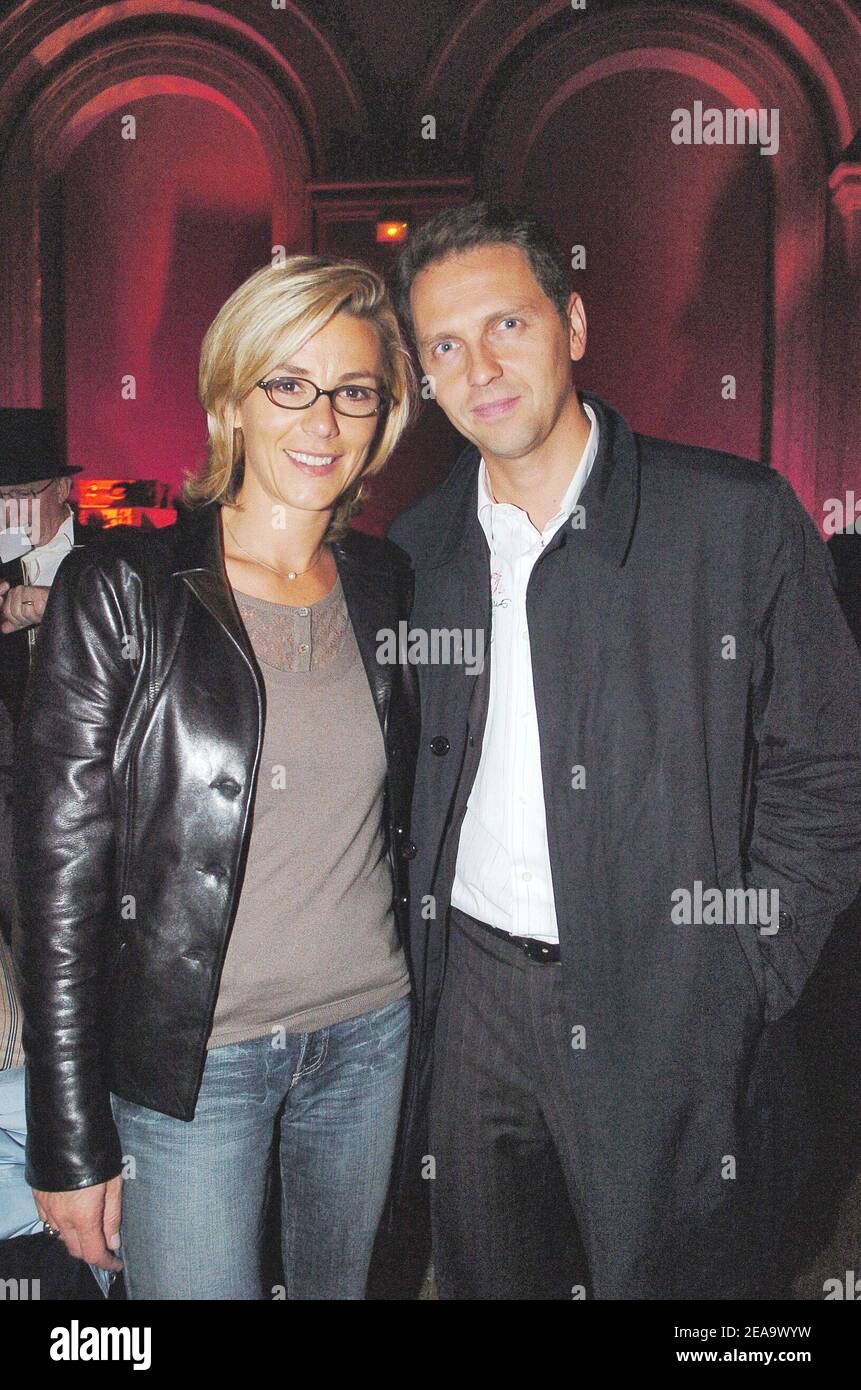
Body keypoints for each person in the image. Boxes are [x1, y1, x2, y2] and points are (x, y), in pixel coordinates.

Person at [388, 201, 861, 1300]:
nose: (481, 368)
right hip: (472, 1006)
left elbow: (831, 769)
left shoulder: (733, 521)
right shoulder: (419, 552)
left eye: (508, 325)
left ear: (575, 323)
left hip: (670, 994)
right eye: (446, 347)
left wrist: (743, 967)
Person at [13, 256, 419, 1300]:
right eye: (289, 383)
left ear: (384, 415)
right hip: (193, 1063)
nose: (322, 419)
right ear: (233, 396)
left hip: (368, 1036)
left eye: (354, 391)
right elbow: (60, 883)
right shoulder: (124, 592)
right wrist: (69, 1138)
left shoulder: (387, 583)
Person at [0, 408, 110, 1297]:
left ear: (60, 493)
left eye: (14, 498)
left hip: (107, 854)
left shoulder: (114, 564)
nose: (2, 516)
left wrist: (57, 603)